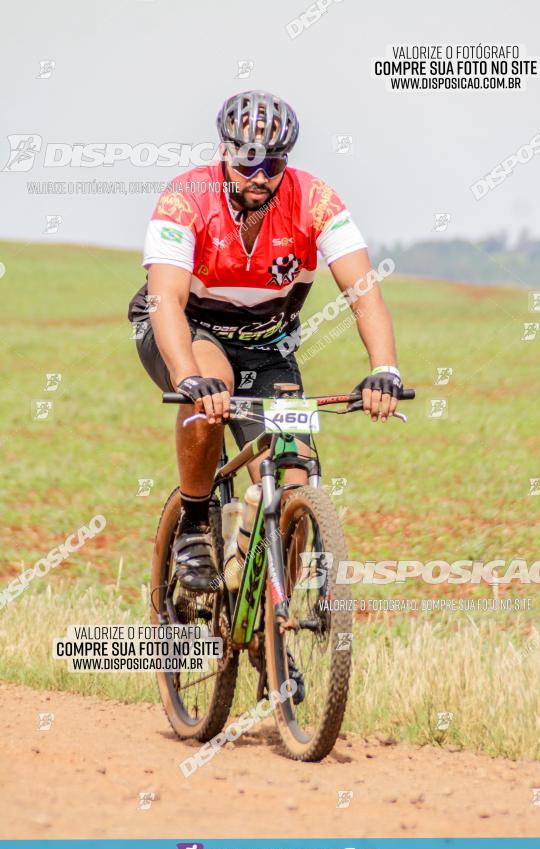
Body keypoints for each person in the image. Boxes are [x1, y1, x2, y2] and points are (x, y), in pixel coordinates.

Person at [129, 90, 402, 593]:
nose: (258, 176)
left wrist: (385, 368)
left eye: (272, 164)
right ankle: (193, 521)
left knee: (291, 478)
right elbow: (165, 298)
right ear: (225, 152)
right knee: (215, 385)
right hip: (186, 328)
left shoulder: (316, 200)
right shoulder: (185, 197)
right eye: (246, 160)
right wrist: (188, 375)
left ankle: (268, 626)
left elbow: (363, 293)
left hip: (267, 345)